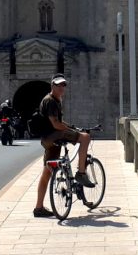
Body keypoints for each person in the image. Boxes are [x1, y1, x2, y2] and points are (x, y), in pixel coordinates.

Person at [34, 73, 94, 218]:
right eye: (58, 85)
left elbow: (58, 121)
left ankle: (38, 208)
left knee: (47, 172)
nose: (62, 87)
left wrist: (73, 127)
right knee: (85, 138)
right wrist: (73, 132)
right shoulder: (51, 101)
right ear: (52, 85)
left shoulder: (54, 100)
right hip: (54, 135)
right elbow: (55, 124)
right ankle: (81, 173)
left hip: (48, 139)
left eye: (63, 85)